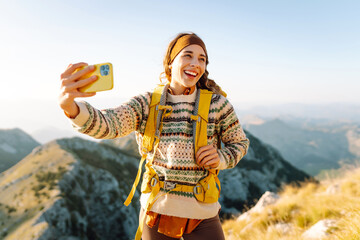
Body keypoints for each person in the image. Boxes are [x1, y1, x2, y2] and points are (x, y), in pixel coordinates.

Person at [59, 32, 250, 240]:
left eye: (202, 59)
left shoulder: (218, 105)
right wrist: (71, 108)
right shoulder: (147, 104)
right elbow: (108, 124)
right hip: (156, 213)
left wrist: (220, 158)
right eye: (187, 55)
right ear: (170, 62)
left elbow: (239, 143)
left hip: (203, 214)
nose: (195, 63)